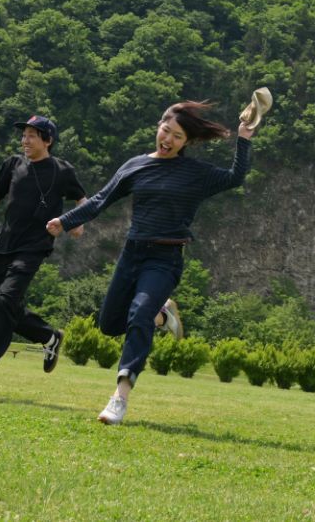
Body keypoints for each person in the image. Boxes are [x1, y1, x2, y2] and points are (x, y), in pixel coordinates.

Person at [47, 101, 256, 425]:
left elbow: (234, 177)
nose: (168, 139)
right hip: (131, 255)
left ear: (187, 142)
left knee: (137, 313)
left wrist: (243, 137)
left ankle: (120, 397)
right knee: (109, 324)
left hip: (165, 258)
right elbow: (101, 199)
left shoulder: (195, 173)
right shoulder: (135, 166)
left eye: (177, 136)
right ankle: (163, 315)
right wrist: (64, 220)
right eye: (166, 131)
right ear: (158, 127)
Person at [0, 115, 88, 395]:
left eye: (32, 135)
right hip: (3, 246)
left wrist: (75, 222)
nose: (25, 140)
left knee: (6, 301)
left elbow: (81, 198)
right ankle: (49, 336)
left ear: (47, 141)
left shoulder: (62, 171)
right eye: (24, 135)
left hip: (34, 247)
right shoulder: (13, 164)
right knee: (7, 309)